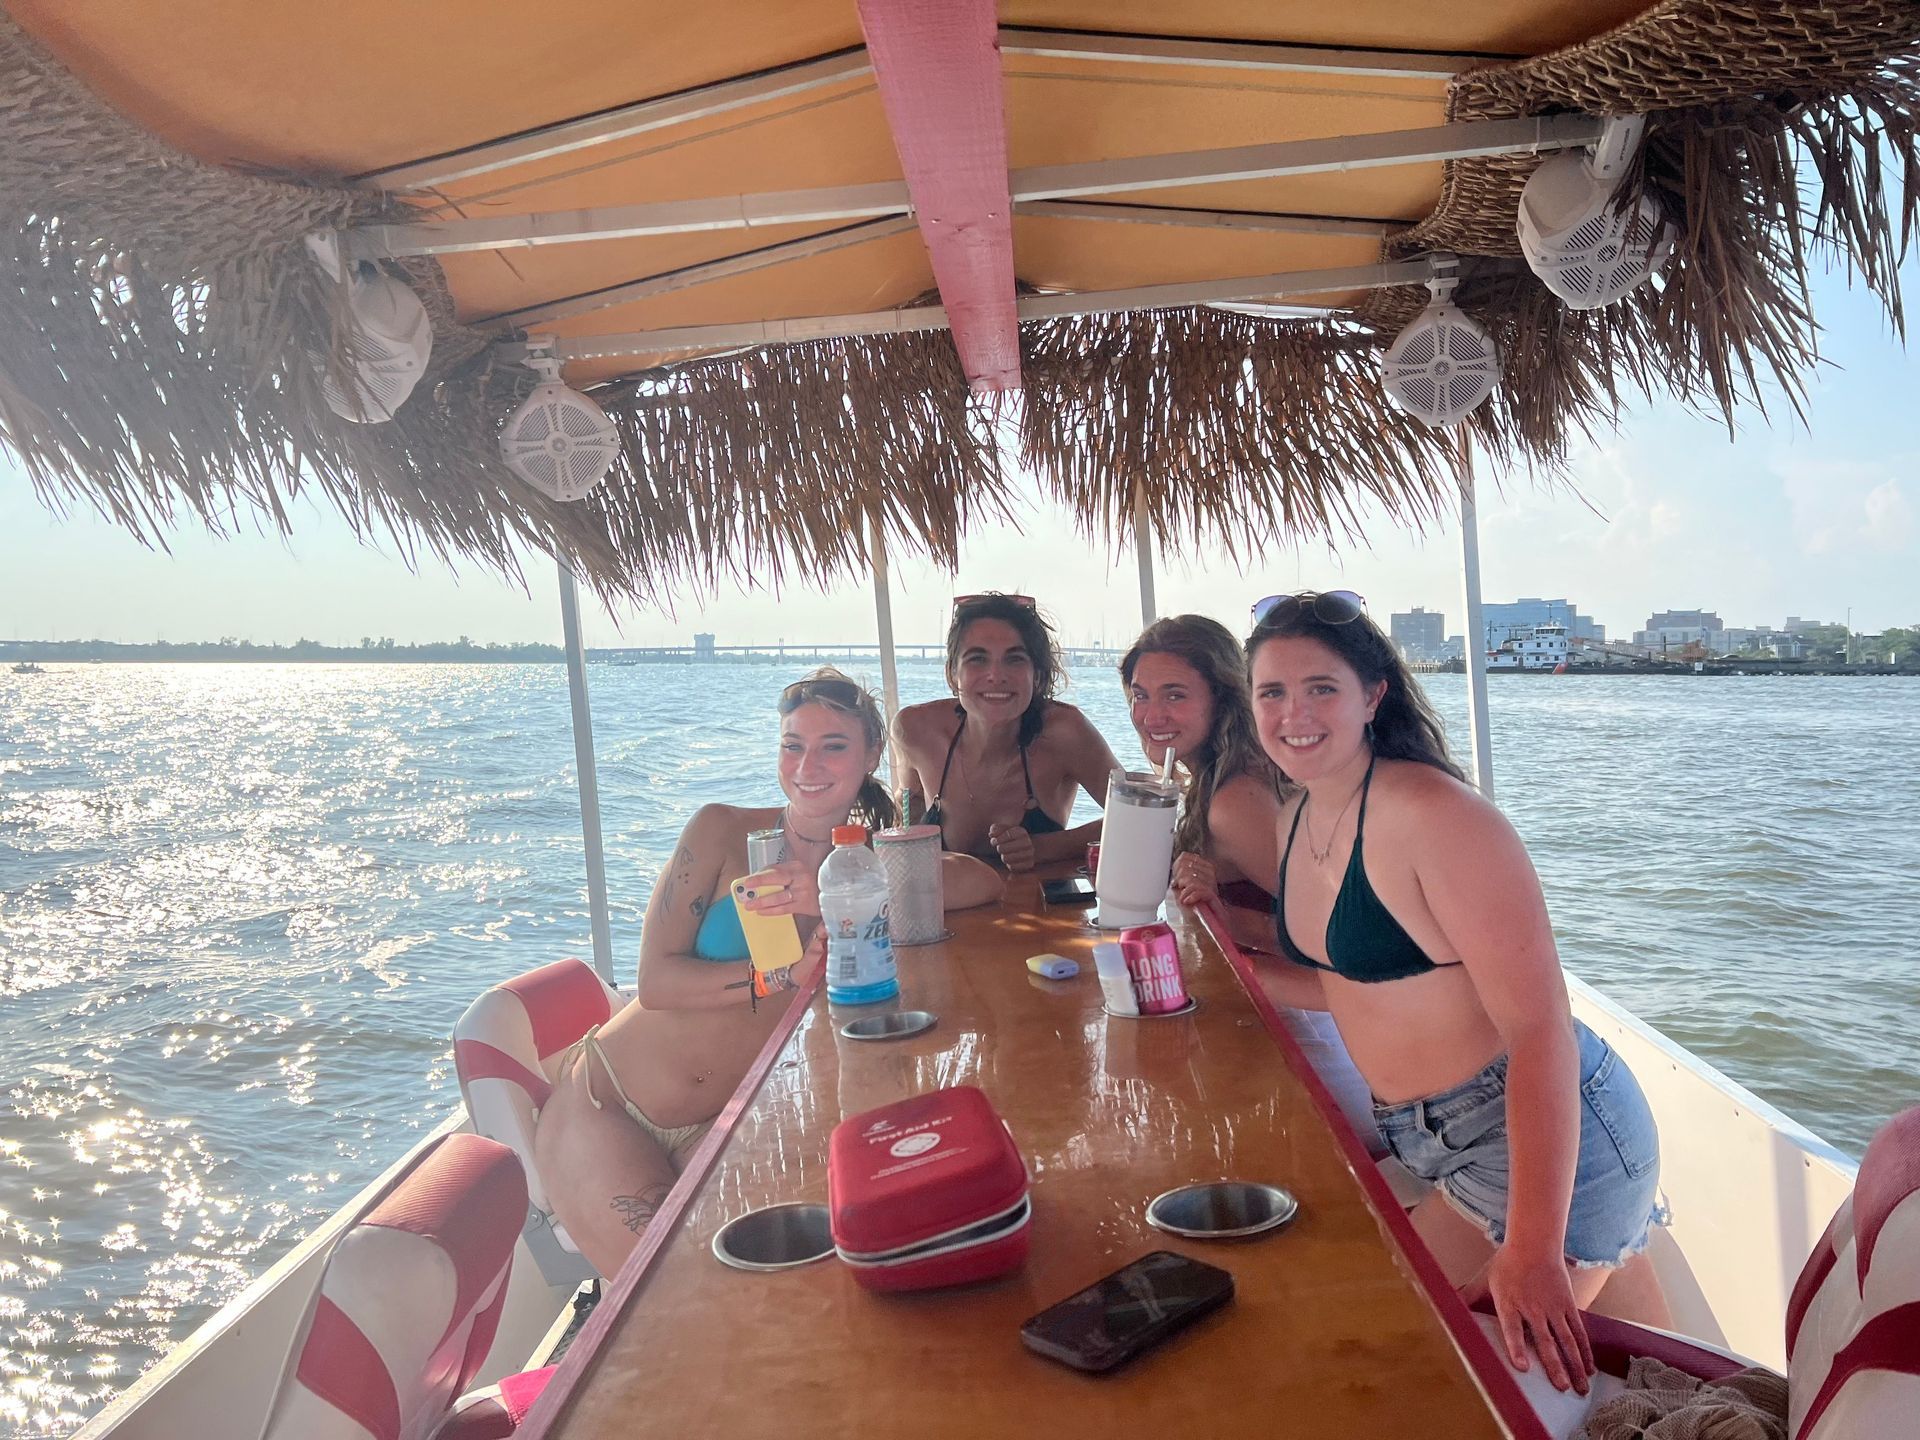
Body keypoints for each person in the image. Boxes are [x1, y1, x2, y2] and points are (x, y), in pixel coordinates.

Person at [1244, 591, 1667, 1396]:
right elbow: (1357, 986)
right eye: (1272, 692)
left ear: (1373, 695)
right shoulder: (1297, 814)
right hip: (1431, 1136)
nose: (1294, 712)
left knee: (1432, 1380)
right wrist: (1232, 967)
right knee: (1386, 1351)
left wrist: (1534, 1252)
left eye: (1320, 688)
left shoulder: (1437, 816)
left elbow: (1541, 1026)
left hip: (1532, 1132)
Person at [531, 668, 1002, 1275]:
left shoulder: (862, 862)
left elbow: (979, 881)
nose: (808, 764)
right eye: (792, 745)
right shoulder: (723, 831)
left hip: (727, 1121)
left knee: (755, 1293)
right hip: (611, 1106)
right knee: (666, 1299)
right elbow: (655, 982)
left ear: (872, 754)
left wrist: (833, 893)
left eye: (833, 745)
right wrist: (775, 978)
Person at [1120, 615, 1381, 1147]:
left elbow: (1348, 946)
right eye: (1139, 695)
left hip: (1312, 1045)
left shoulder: (1233, 801)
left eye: (1175, 695)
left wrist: (1226, 917)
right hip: (1275, 1025)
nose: (1152, 715)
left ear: (1222, 697)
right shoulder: (1214, 780)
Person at [894, 593, 1120, 871]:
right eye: (977, 658)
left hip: (1045, 912)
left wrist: (1043, 848)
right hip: (951, 911)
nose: (996, 675)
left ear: (1036, 675)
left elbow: (1138, 815)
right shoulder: (915, 729)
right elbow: (908, 805)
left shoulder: (1065, 732)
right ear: (952, 675)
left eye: (1014, 659)